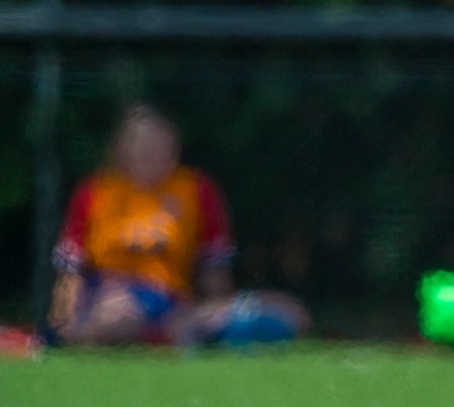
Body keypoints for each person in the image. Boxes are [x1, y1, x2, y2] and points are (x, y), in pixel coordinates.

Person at [47, 105, 307, 347]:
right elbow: (71, 268)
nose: (151, 153)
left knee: (291, 314)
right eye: (141, 145)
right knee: (119, 316)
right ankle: (121, 338)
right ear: (121, 149)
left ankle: (175, 334)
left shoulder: (196, 190)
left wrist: (218, 309)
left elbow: (213, 264)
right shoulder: (95, 192)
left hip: (172, 301)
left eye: (160, 144)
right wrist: (64, 320)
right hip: (110, 295)